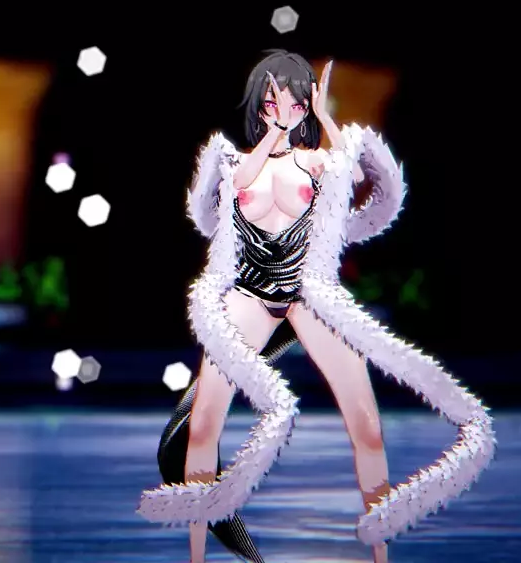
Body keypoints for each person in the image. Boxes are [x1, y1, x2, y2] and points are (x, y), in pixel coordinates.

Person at [138, 50, 495, 563]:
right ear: (259, 104)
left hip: (310, 295)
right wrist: (272, 136)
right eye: (271, 99)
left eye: (293, 99)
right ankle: (196, 557)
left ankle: (381, 550)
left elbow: (375, 191)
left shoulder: (322, 162)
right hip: (247, 292)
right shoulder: (235, 163)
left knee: (366, 423)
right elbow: (219, 204)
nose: (282, 108)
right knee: (203, 423)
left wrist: (330, 124)